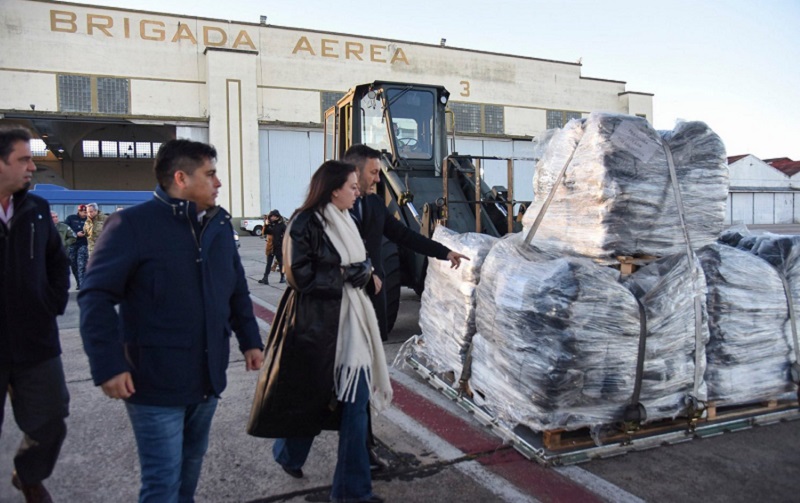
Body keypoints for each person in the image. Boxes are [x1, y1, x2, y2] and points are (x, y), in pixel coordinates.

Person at [78, 139, 264, 502]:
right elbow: (95, 297)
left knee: (190, 470)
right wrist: (108, 364)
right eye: (210, 174)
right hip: (155, 382)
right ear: (181, 178)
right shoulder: (132, 225)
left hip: (207, 377)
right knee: (162, 483)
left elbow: (236, 288)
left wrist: (250, 339)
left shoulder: (219, 224)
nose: (218, 183)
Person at [247, 160, 391, 503]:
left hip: (351, 326)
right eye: (352, 187)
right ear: (333, 190)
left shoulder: (347, 218)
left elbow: (360, 259)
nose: (358, 193)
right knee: (312, 401)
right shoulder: (303, 222)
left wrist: (365, 270)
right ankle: (289, 455)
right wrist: (346, 276)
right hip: (316, 328)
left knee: (354, 410)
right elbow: (299, 275)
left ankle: (352, 492)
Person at [0, 125, 71, 503]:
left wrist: (51, 305)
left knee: (50, 420)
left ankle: (28, 475)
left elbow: (57, 264)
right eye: (24, 159)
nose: (33, 166)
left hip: (35, 341)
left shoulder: (37, 210)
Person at [343, 144, 469, 340]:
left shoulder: (374, 204)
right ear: (355, 172)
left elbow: (405, 235)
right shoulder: (326, 211)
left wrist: (444, 252)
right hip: (342, 303)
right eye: (374, 172)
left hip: (372, 302)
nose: (378, 179)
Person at [257, 209, 286, 285]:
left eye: (274, 216)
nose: (272, 218)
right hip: (270, 247)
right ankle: (265, 278)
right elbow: (264, 233)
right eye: (271, 216)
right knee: (268, 263)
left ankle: (282, 277)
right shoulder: (269, 224)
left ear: (277, 217)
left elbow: (287, 234)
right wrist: (266, 225)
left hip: (279, 246)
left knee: (281, 263)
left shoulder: (281, 225)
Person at [65, 204, 89, 289]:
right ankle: (79, 282)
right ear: (79, 211)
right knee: (73, 265)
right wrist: (76, 234)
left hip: (84, 244)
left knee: (81, 264)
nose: (85, 214)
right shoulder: (71, 218)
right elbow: (66, 229)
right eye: (83, 212)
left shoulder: (89, 220)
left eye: (86, 212)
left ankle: (83, 285)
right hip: (73, 244)